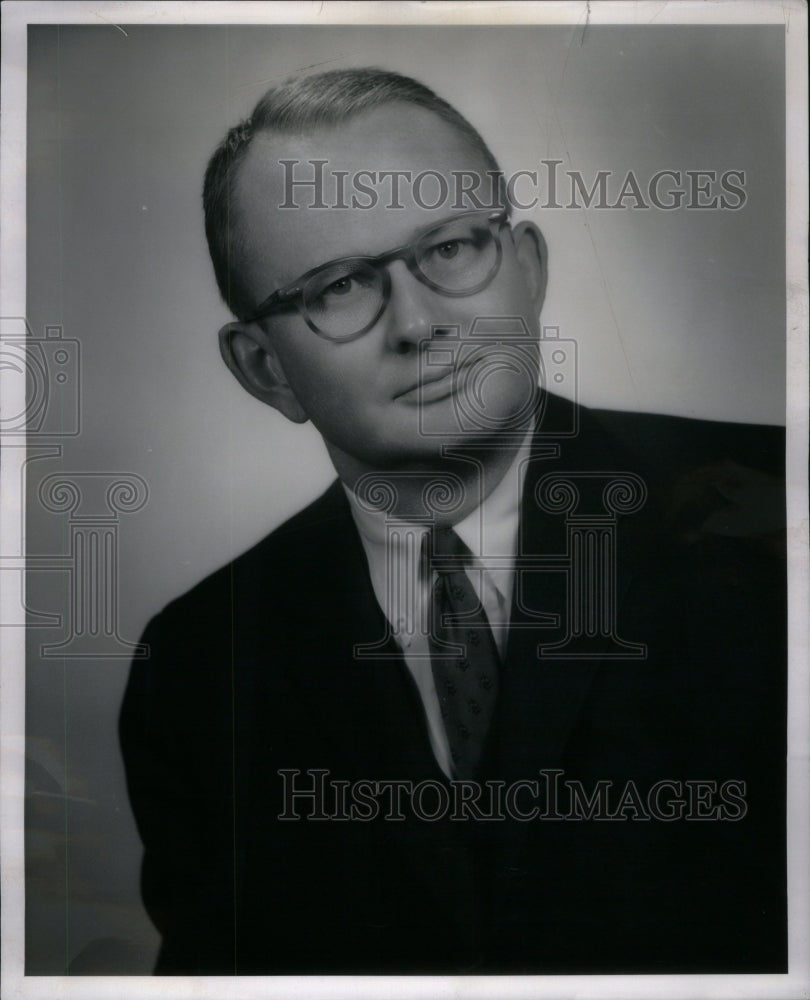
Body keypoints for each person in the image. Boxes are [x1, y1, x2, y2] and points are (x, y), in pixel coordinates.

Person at [120, 68, 786, 975]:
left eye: (447, 251)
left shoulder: (777, 511)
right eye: (339, 286)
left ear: (529, 267)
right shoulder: (196, 664)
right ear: (265, 369)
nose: (421, 323)